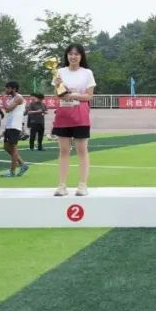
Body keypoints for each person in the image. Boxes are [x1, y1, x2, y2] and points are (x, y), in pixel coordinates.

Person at [51, 43, 96, 197]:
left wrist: (74, 96)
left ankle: (82, 185)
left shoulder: (87, 73)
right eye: (70, 53)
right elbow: (57, 95)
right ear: (67, 56)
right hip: (63, 115)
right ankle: (61, 185)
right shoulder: (59, 72)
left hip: (80, 116)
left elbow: (89, 96)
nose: (73, 56)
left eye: (76, 54)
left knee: (82, 150)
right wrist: (58, 86)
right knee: (64, 150)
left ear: (81, 56)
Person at [0, 81, 30, 178]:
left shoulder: (18, 98)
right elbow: (8, 111)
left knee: (13, 148)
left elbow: (8, 109)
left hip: (15, 126)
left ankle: (12, 171)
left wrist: (3, 99)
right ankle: (23, 165)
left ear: (14, 89)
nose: (6, 90)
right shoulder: (11, 98)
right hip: (9, 126)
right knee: (6, 147)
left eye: (8, 88)